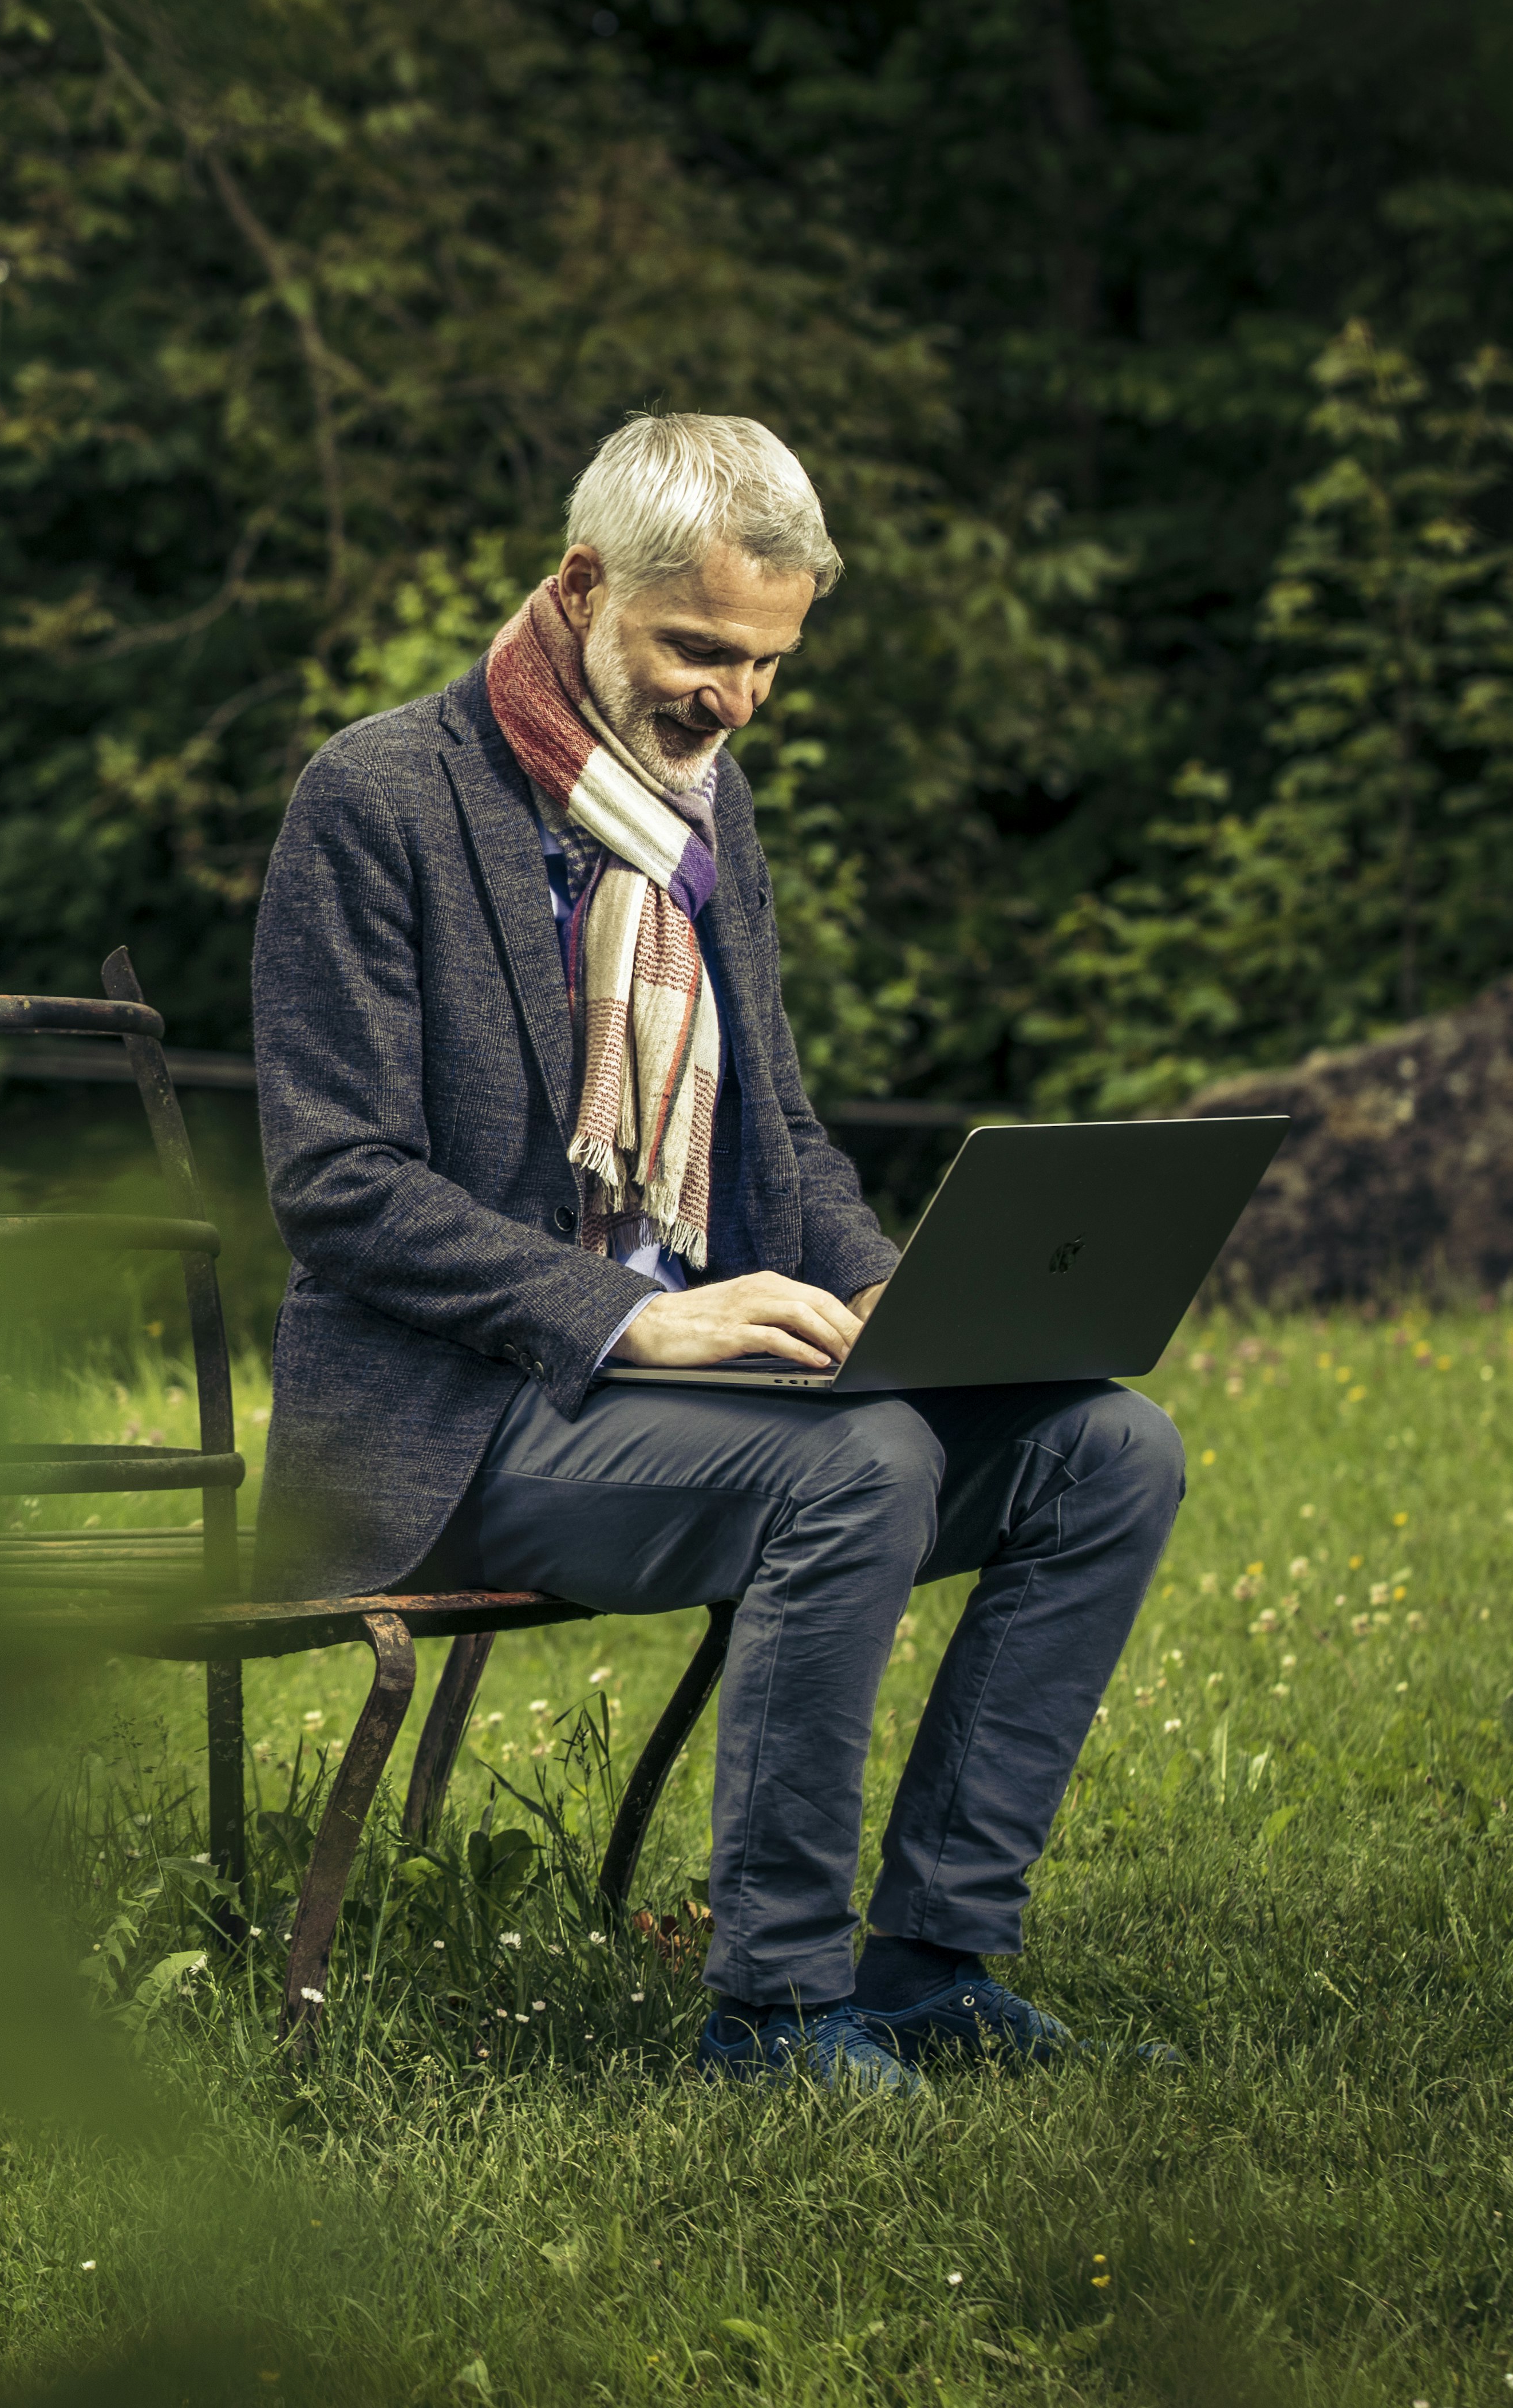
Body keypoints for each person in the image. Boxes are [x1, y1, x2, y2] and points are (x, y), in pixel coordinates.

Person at [247, 413, 1182, 2095]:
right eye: (698, 650)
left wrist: (892, 1285)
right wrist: (628, 1320)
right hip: (455, 1427)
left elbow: (786, 1143)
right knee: (863, 1468)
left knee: (1108, 1451)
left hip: (686, 1411)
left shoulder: (700, 814)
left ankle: (931, 1964)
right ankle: (773, 2008)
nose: (731, 700)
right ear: (584, 586)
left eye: (765, 664)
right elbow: (338, 1182)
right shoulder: (378, 796)